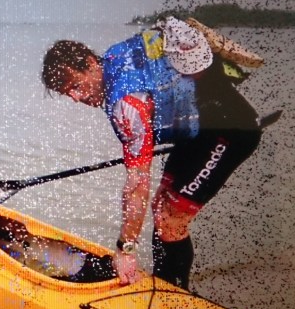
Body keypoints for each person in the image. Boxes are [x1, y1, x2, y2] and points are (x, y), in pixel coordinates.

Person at [40, 17, 262, 290]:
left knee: (171, 222)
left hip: (230, 132)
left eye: (74, 85)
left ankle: (176, 294)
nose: (74, 97)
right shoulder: (113, 56)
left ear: (89, 63)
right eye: (66, 93)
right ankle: (164, 284)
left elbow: (136, 186)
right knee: (160, 210)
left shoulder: (126, 104)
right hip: (198, 131)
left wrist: (126, 249)